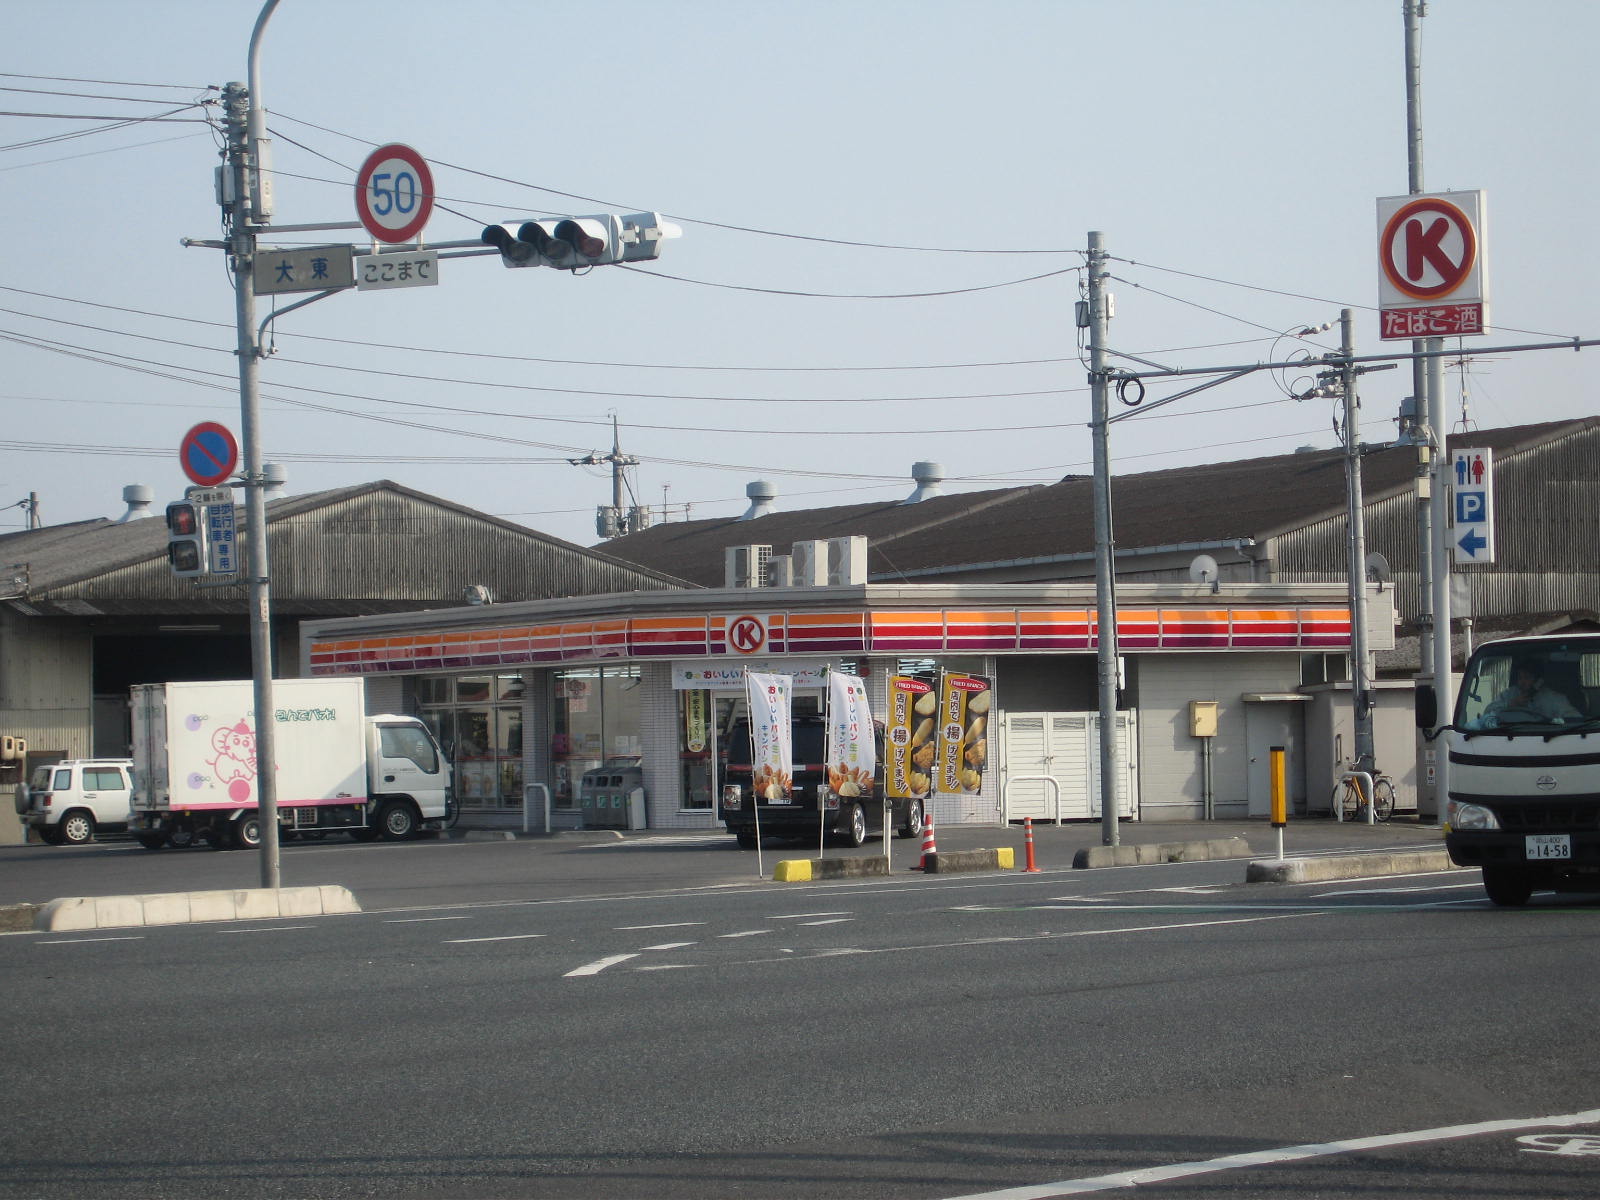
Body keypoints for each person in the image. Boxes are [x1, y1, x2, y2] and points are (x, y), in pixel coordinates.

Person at [1483, 662, 1581, 724]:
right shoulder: (1509, 694)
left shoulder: (1552, 698)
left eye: (1527, 677)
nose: (1522, 682)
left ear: (1538, 681)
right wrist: (1510, 704)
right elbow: (1487, 712)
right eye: (1520, 678)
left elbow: (1575, 718)